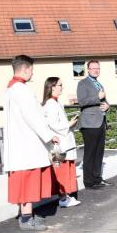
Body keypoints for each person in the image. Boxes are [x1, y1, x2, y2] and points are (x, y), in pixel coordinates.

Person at [3, 55, 61, 231]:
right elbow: (32, 116)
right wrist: (49, 135)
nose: (32, 73)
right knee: (27, 180)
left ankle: (27, 216)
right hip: (26, 143)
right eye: (32, 70)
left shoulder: (10, 89)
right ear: (26, 69)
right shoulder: (21, 89)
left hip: (20, 143)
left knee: (24, 181)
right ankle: (27, 219)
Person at [42, 77, 81, 208]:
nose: (61, 87)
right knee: (62, 170)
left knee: (65, 169)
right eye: (59, 85)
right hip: (60, 141)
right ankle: (63, 197)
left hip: (64, 139)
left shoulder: (56, 102)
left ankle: (66, 196)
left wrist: (70, 124)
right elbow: (52, 124)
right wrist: (69, 123)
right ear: (52, 87)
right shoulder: (51, 104)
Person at [77, 60, 113, 189]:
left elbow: (104, 100)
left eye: (98, 68)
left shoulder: (99, 84)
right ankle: (89, 181)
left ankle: (97, 178)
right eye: (93, 68)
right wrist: (98, 97)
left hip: (100, 122)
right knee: (90, 152)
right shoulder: (83, 83)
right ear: (88, 70)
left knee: (99, 152)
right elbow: (82, 101)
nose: (96, 70)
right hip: (89, 123)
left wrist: (107, 106)